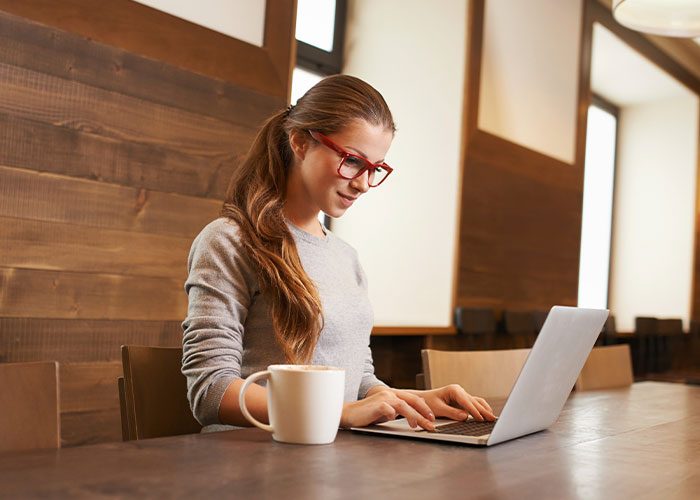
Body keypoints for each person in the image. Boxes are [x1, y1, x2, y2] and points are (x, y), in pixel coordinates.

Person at [181, 74, 495, 432]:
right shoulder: (228, 241)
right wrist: (338, 413)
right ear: (300, 142)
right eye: (352, 161)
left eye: (375, 169)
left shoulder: (347, 258)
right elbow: (210, 392)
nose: (363, 183)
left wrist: (413, 400)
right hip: (252, 462)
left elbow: (356, 378)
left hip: (330, 456)